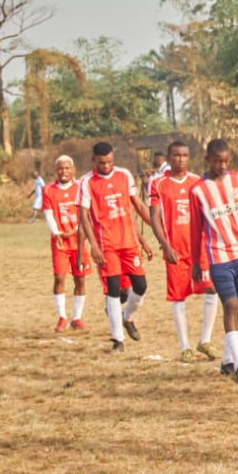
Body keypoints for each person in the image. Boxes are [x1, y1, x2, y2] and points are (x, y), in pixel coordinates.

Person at [191, 139, 238, 382]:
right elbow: (195, 230)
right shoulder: (198, 191)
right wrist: (196, 261)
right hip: (218, 256)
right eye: (216, 161)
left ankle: (226, 360)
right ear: (207, 160)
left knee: (237, 305)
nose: (221, 166)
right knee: (231, 304)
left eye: (225, 161)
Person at [149, 140, 220, 364]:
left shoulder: (197, 182)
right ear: (169, 158)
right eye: (176, 155)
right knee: (179, 297)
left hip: (200, 249)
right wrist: (165, 245)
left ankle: (205, 341)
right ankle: (185, 347)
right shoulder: (158, 183)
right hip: (175, 250)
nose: (181, 159)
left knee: (211, 288)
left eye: (185, 155)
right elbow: (154, 217)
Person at [78, 142, 155, 352]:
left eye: (110, 161)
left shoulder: (124, 175)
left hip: (129, 243)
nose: (106, 166)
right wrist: (93, 246)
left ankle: (127, 318)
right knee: (113, 291)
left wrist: (157, 229)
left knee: (140, 287)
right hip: (107, 245)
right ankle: (117, 340)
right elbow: (83, 216)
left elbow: (137, 206)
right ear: (94, 160)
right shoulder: (86, 182)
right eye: (102, 162)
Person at [43, 155, 90, 332]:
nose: (64, 171)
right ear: (56, 171)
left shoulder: (80, 188)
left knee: (80, 278)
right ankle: (62, 317)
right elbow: (48, 213)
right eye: (61, 168)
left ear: (73, 170)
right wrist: (57, 234)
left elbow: (86, 214)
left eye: (67, 168)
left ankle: (77, 318)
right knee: (59, 277)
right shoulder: (48, 190)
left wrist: (75, 230)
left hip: (78, 241)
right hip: (60, 242)